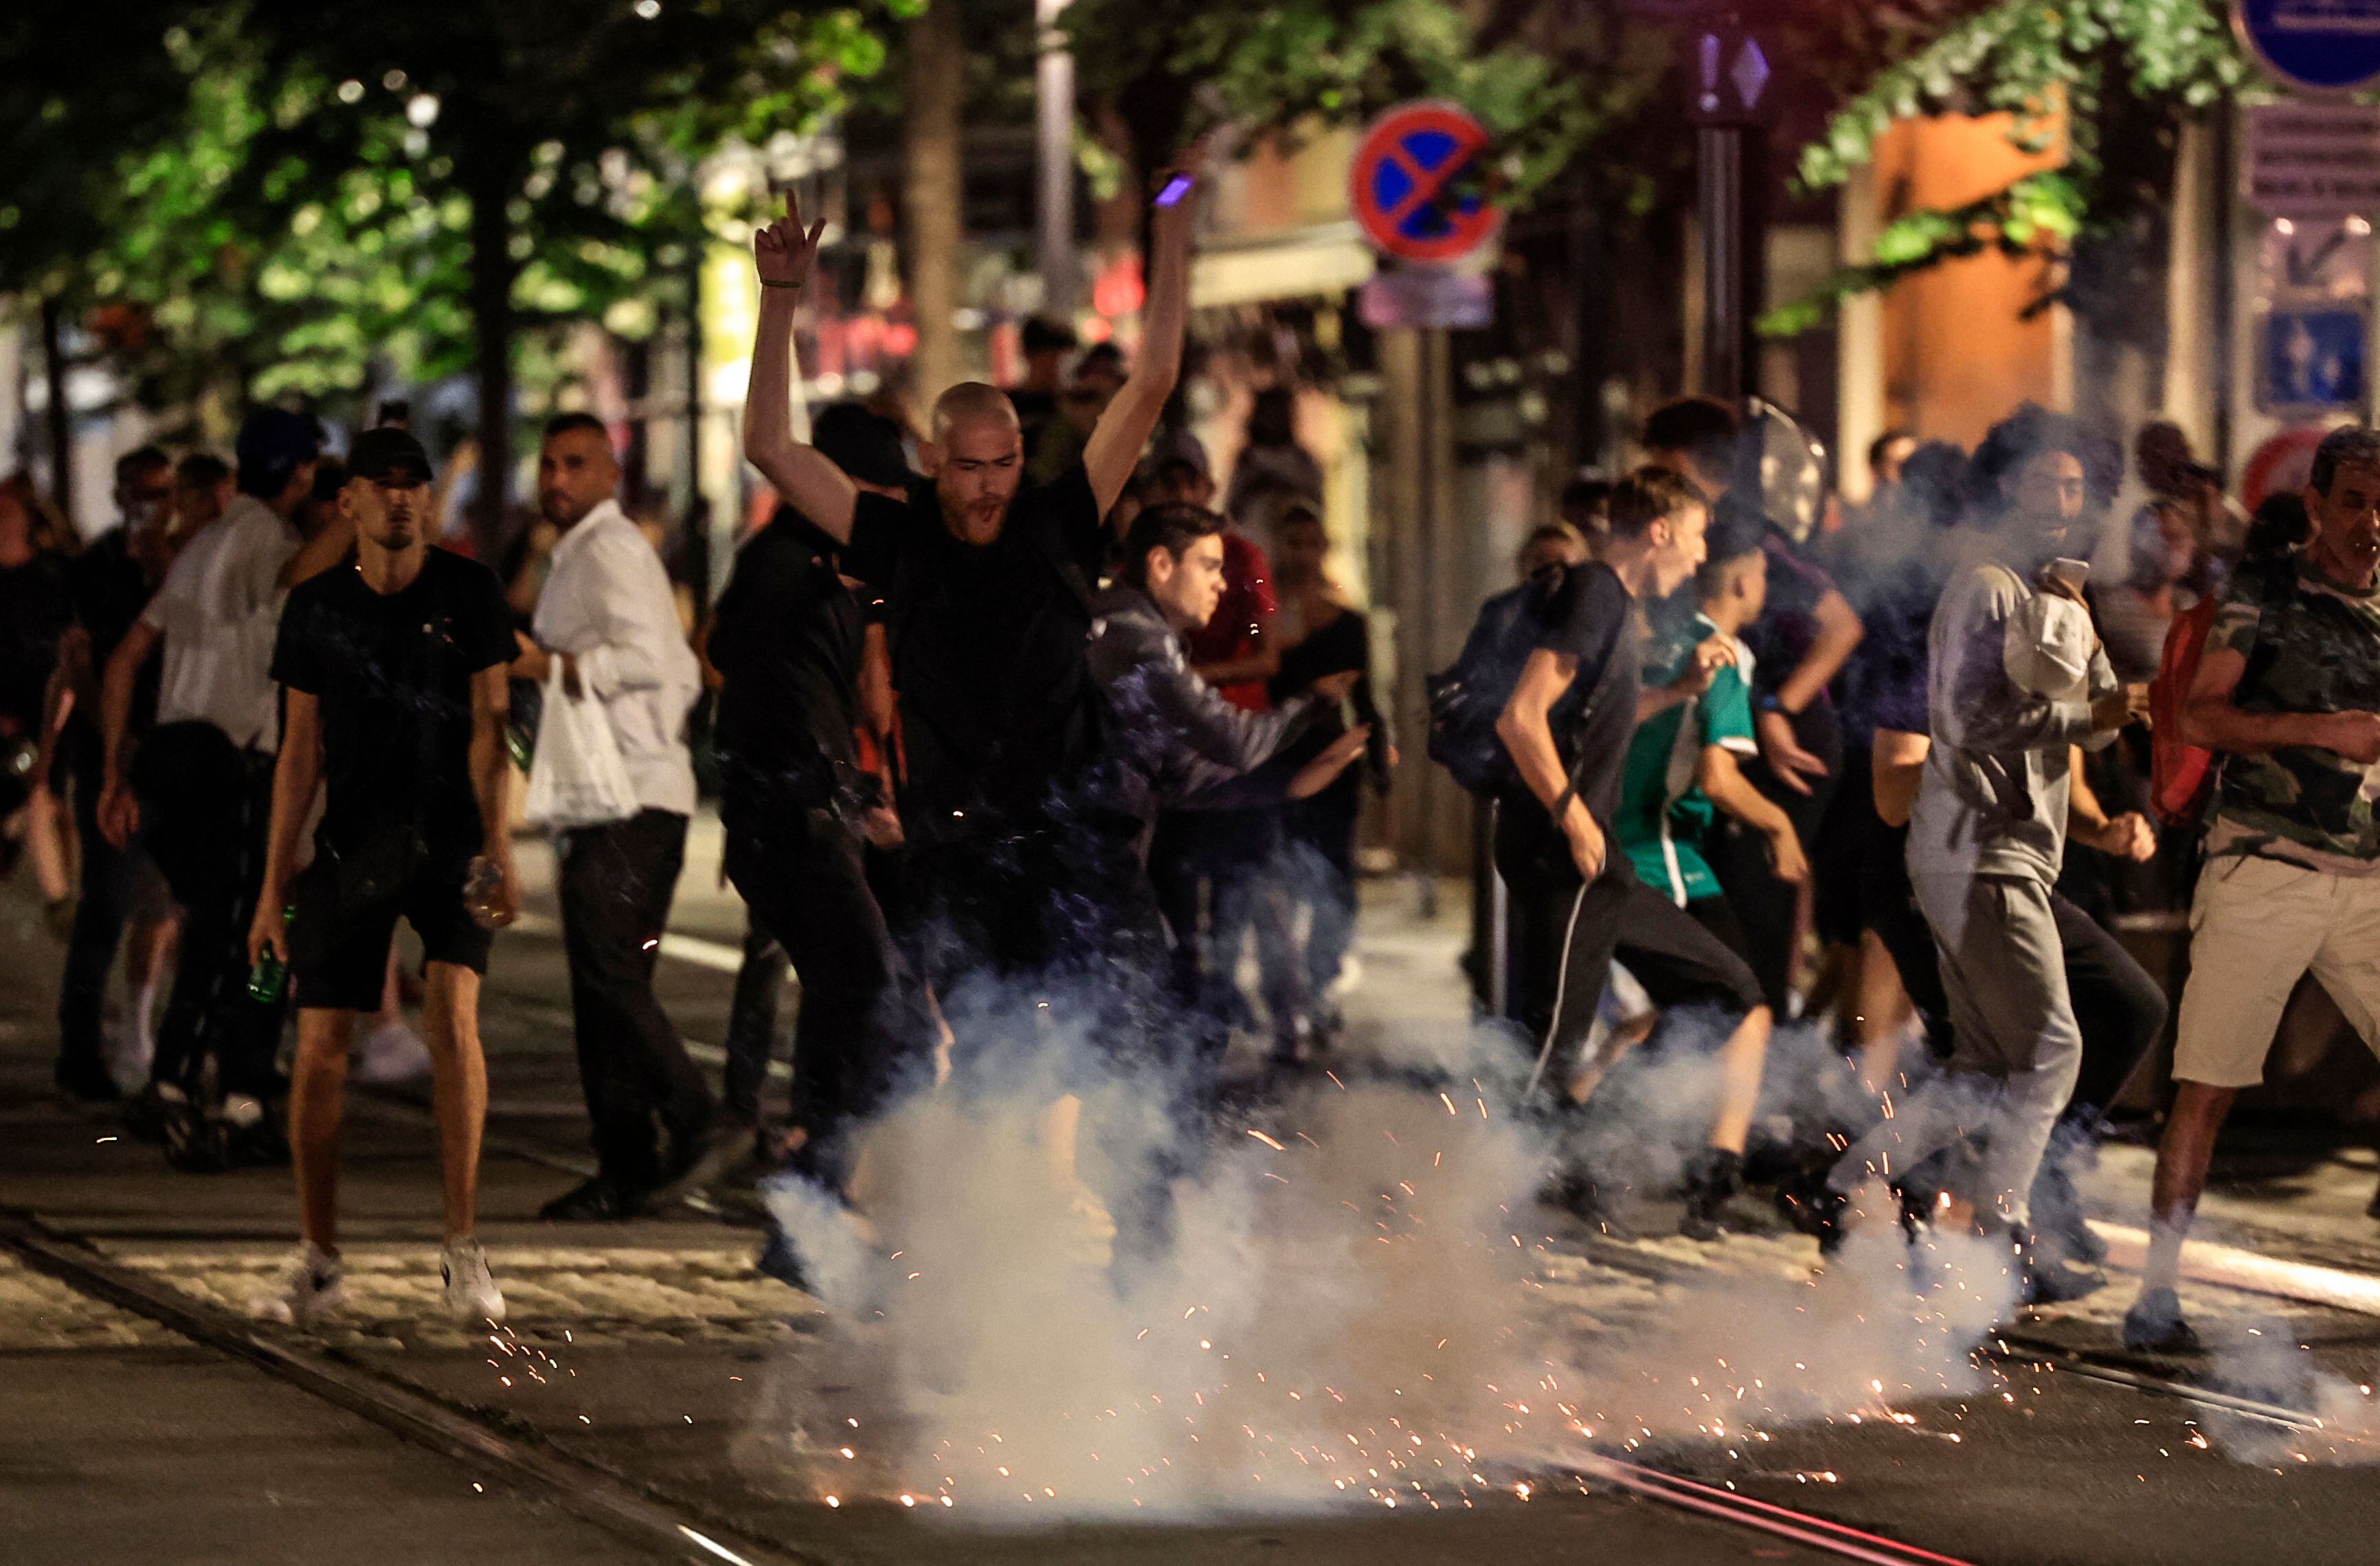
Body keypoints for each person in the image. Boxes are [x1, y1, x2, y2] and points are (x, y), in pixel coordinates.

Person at [739, 155, 1199, 1003]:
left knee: (1084, 1054)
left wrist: (1169, 233)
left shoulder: (1059, 516)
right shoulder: (898, 530)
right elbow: (771, 447)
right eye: (969, 467)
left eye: (1006, 463)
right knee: (955, 1052)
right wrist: (781, 298)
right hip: (955, 845)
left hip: (1070, 839)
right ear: (930, 461)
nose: (990, 485)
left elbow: (1152, 381)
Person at [1825, 408, 2147, 1298]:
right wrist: (2100, 713)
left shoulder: (2050, 590)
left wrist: (2109, 694)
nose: (2061, 500)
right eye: (2044, 482)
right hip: (1977, 849)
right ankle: (2002, 1233)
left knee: (1983, 1061)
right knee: (2051, 1048)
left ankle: (1852, 1179)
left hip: (2010, 851)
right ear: (2006, 485)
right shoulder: (1987, 586)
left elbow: (2098, 720)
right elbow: (1968, 722)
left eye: (2076, 485)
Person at [244, 428, 518, 1325]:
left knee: (452, 1010)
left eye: (415, 484)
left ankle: (463, 1245)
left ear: (430, 501)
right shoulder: (316, 607)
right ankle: (319, 1256)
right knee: (321, 1042)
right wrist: (271, 886)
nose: (402, 498)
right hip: (352, 845)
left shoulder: (469, 590)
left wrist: (501, 844)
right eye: (383, 484)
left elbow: (494, 722)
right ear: (349, 502)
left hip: (450, 841)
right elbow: (299, 753)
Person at [2124, 425, 2380, 1354]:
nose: (2372, 521)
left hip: (2369, 879)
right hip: (2264, 866)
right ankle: (2156, 1292)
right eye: (2354, 501)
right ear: (2316, 504)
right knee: (2210, 1084)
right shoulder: (2268, 591)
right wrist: (2325, 730)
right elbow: (2201, 712)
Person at [1494, 467, 1776, 1239]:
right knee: (1554, 1044)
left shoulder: (1616, 607)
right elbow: (1521, 718)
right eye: (1691, 539)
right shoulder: (1595, 591)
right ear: (1657, 532)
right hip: (1566, 849)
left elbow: (1598, 716)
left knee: (1728, 987)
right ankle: (1482, 1209)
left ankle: (1565, 1149)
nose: (1696, 559)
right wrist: (1574, 818)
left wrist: (1681, 688)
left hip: (1595, 854)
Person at [98, 409, 350, 1167]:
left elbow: (123, 661)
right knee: (240, 933)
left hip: (175, 758)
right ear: (302, 473)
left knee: (236, 929)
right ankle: (183, 1084)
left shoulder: (200, 542)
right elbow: (290, 578)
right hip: (234, 764)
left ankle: (242, 1088)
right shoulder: (264, 538)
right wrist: (352, 519)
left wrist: (117, 769)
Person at [712, 386, 928, 1200]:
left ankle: (821, 1162)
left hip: (810, 803)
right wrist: (840, 792)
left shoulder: (827, 569)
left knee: (855, 980)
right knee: (868, 979)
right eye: (875, 500)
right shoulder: (785, 570)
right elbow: (779, 692)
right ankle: (823, 1175)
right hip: (794, 810)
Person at [515, 413, 710, 1220]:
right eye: (548, 464)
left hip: (634, 796)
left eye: (575, 464)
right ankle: (625, 1163)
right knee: (601, 986)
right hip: (607, 799)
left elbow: (660, 664)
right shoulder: (575, 556)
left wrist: (547, 663)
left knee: (611, 975)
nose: (557, 479)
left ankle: (697, 1114)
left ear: (609, 475)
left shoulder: (609, 550)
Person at [1643, 396, 1865, 1013]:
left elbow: (1843, 625)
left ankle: (1756, 1062)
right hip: (1741, 726)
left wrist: (1776, 705)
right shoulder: (1697, 530)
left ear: (1685, 460)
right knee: (1733, 910)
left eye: (1658, 462)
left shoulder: (1744, 533)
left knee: (1758, 910)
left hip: (1788, 744)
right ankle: (1736, 1060)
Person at [44, 449, 179, 1101]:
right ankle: (80, 1047)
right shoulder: (92, 569)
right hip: (109, 762)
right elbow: (78, 664)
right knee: (106, 905)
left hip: (170, 754)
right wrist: (109, 749)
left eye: (162, 491)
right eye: (140, 491)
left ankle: (144, 1033)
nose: (151, 503)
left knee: (164, 906)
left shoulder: (182, 563)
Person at [1613, 520, 1809, 935]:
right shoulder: (1726, 654)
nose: (1766, 588)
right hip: (1659, 853)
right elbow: (1717, 778)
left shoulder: (1669, 638)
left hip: (1616, 842)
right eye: (1763, 576)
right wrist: (1780, 825)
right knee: (1740, 998)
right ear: (1742, 583)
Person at [1269, 504, 1393, 1049]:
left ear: (1324, 548)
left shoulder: (1349, 622)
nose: (1301, 553)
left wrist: (1378, 756)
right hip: (1274, 761)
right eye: (1291, 542)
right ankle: (1284, 1003)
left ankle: (1319, 987)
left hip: (1332, 763)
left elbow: (1366, 696)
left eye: (1309, 542)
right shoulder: (1265, 617)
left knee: (1332, 883)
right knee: (1275, 887)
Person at [1009, 315, 1077, 462]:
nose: (1054, 365)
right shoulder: (1007, 404)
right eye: (1047, 356)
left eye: (1059, 357)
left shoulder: (1074, 402)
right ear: (1028, 355)